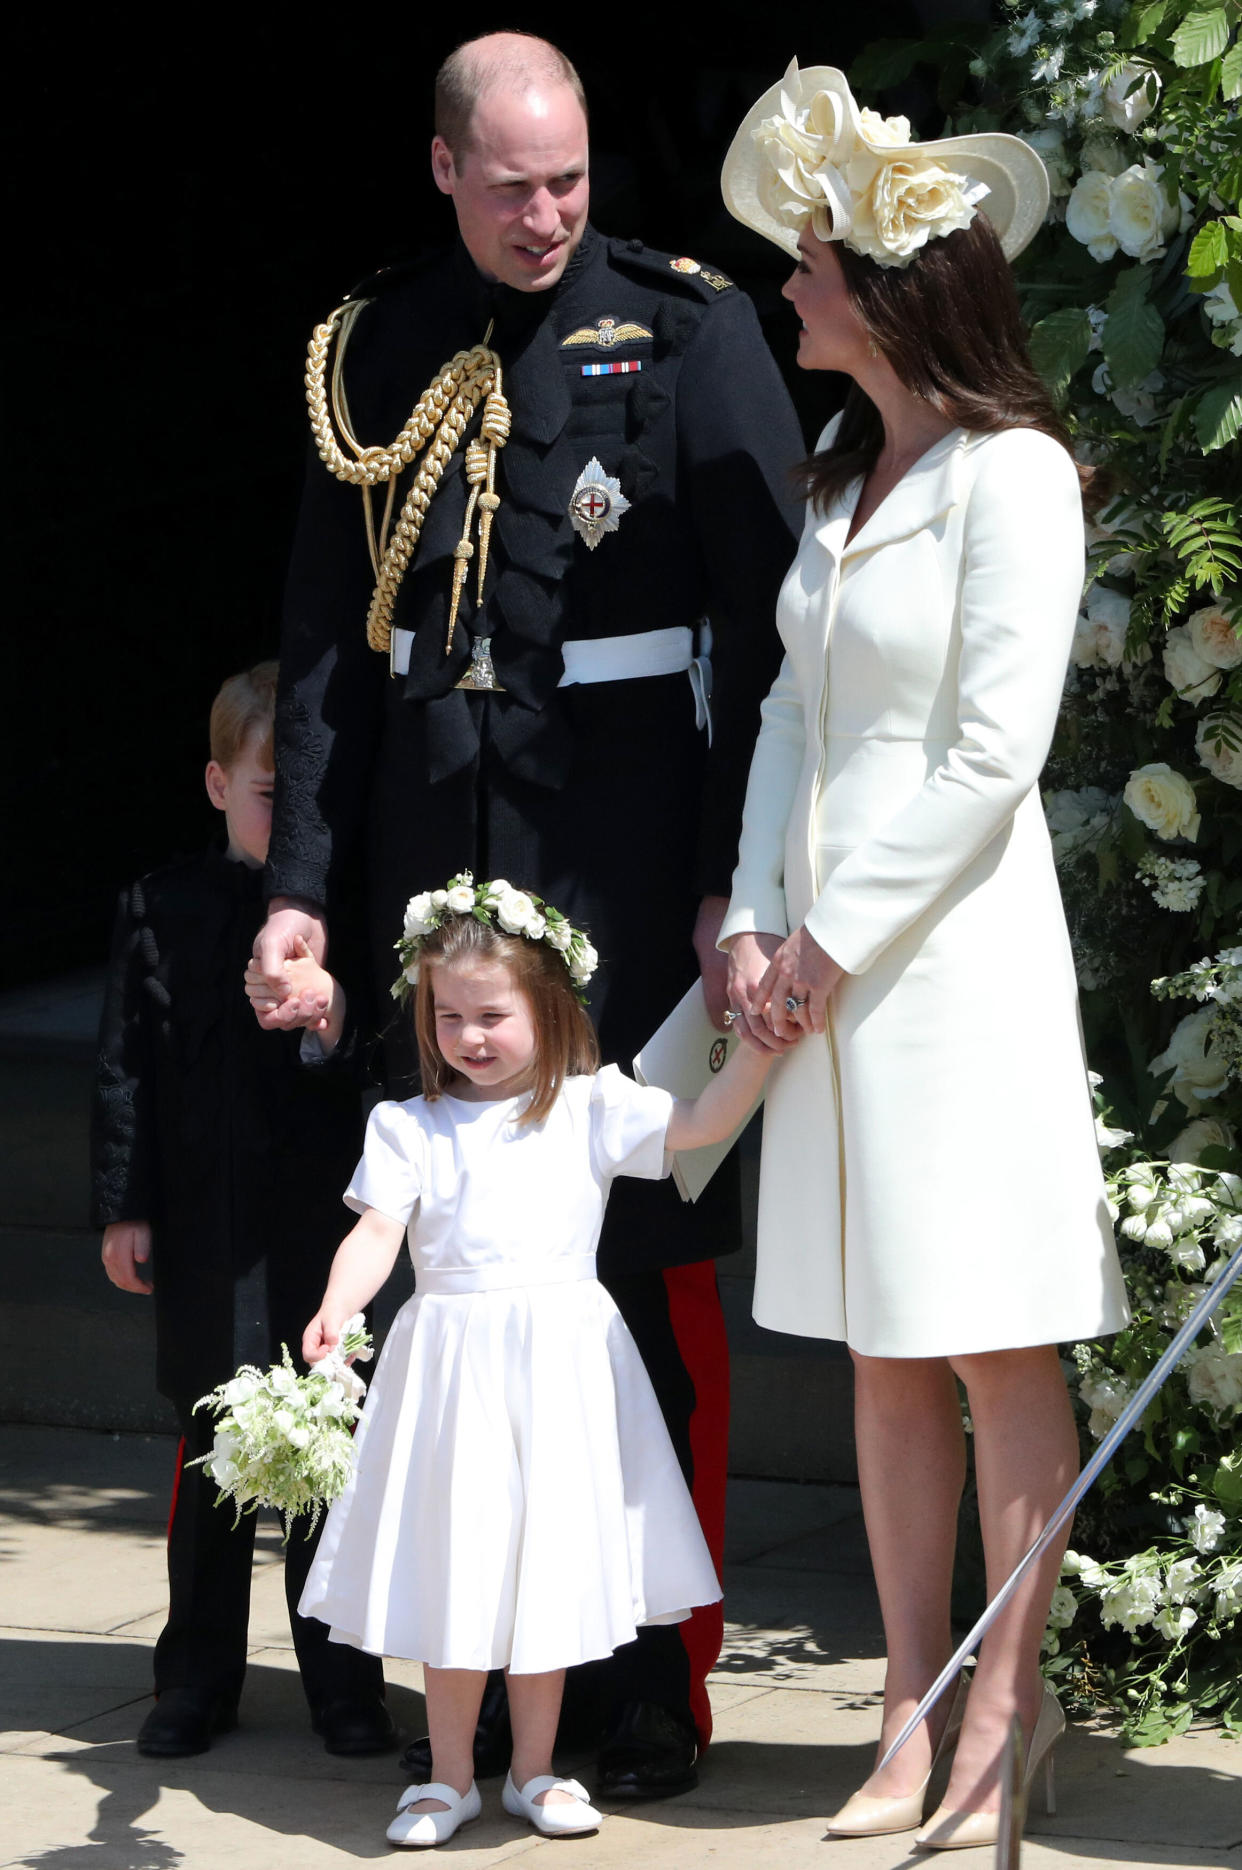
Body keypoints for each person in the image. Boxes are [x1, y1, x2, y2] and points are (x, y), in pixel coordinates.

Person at [251, 29, 804, 1795]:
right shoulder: (378, 346)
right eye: (510, 185)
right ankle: (426, 1670)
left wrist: (738, 875)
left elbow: (766, 632)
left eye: (568, 179)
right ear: (442, 171)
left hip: (630, 860)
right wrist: (299, 901)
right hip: (438, 850)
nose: (547, 212)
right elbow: (335, 656)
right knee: (434, 1265)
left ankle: (651, 1672)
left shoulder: (690, 323)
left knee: (629, 1271)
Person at [715, 63, 1130, 1851]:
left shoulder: (1010, 475)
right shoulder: (838, 481)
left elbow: (989, 755)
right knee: (885, 1350)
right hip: (820, 970)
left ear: (890, 286)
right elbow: (793, 729)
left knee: (985, 1345)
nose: (787, 287)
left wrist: (829, 937)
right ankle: (904, 1702)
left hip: (945, 972)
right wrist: (747, 922)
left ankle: (1004, 1707)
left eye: (808, 260)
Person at [293, 876, 781, 1848]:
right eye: (449, 1015)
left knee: (546, 1573)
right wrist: (337, 1307)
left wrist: (762, 1049)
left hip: (559, 1372)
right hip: (452, 1376)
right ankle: (445, 1777)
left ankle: (534, 1768)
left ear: (548, 1008)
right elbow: (377, 1231)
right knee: (459, 1570)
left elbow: (700, 1121)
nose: (470, 1035)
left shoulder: (590, 1109)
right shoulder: (409, 1126)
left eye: (493, 1014)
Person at [90, 662, 391, 1759]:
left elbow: (372, 1062)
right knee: (212, 1448)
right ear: (220, 786)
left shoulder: (341, 912)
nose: (288, 821)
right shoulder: (162, 905)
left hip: (314, 1216)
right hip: (208, 1221)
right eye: (271, 795)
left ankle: (343, 1679)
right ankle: (197, 1675)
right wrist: (127, 1206)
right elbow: (126, 1067)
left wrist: (329, 1018)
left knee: (323, 1447)